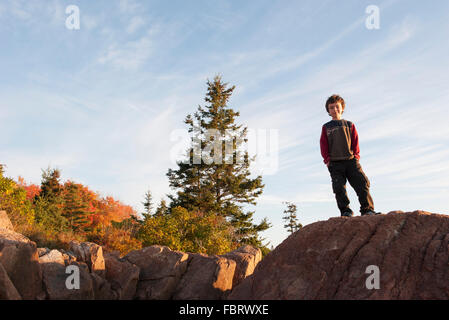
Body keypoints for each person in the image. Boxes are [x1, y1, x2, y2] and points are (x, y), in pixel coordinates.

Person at [320, 94, 378, 217]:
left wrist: (356, 156)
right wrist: (327, 160)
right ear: (328, 111)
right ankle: (345, 211)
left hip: (351, 160)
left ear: (342, 108)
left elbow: (355, 140)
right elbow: (323, 144)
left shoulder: (349, 124)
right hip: (335, 163)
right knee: (339, 188)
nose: (334, 110)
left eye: (337, 107)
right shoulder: (326, 127)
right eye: (331, 108)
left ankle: (367, 209)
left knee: (362, 183)